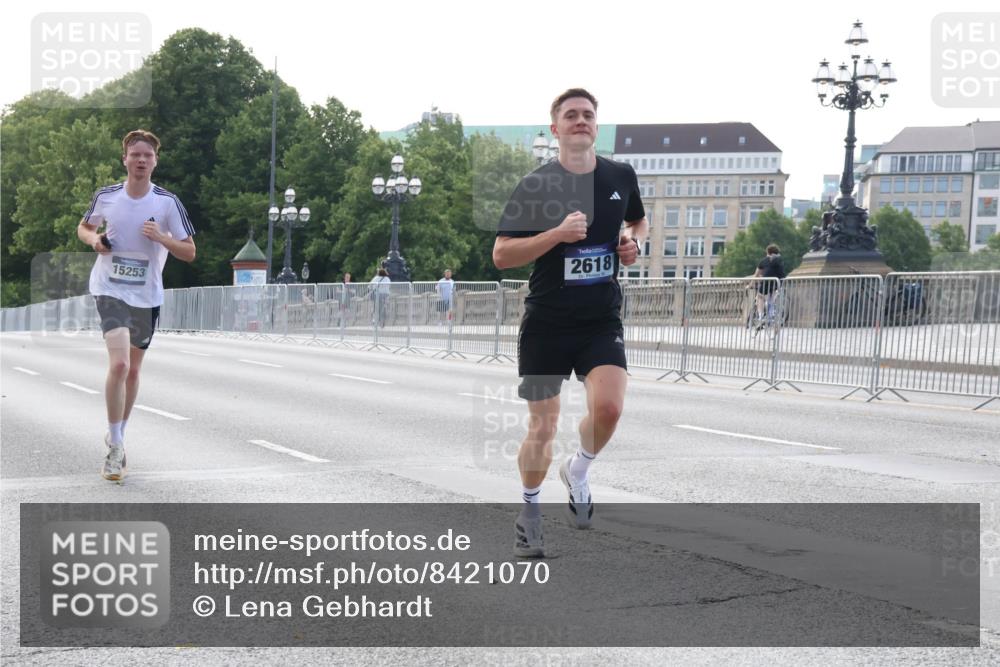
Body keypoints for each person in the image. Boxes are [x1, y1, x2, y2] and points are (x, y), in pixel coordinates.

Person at [493, 88, 647, 558]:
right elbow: (501, 254)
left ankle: (578, 471)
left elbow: (639, 222)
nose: (580, 120)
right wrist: (556, 235)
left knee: (609, 411)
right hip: (546, 322)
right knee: (543, 426)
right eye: (570, 115)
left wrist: (632, 243)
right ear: (555, 129)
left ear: (596, 126)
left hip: (600, 319)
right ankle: (530, 513)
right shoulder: (536, 185)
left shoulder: (621, 175)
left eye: (588, 115)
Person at [76, 129, 196, 481]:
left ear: (155, 161)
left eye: (147, 155)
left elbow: (189, 252)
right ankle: (114, 446)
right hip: (109, 288)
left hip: (146, 295)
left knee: (133, 372)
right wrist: (95, 241)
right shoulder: (107, 196)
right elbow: (83, 228)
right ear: (125, 159)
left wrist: (162, 238)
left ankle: (119, 434)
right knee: (120, 365)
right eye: (135, 154)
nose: (141, 160)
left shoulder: (166, 203)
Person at [752, 244, 785, 327]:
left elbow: (756, 275)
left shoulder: (764, 260)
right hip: (778, 283)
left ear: (767, 252)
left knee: (760, 297)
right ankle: (771, 317)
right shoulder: (779, 260)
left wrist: (750, 284)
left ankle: (761, 316)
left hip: (766, 283)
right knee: (771, 299)